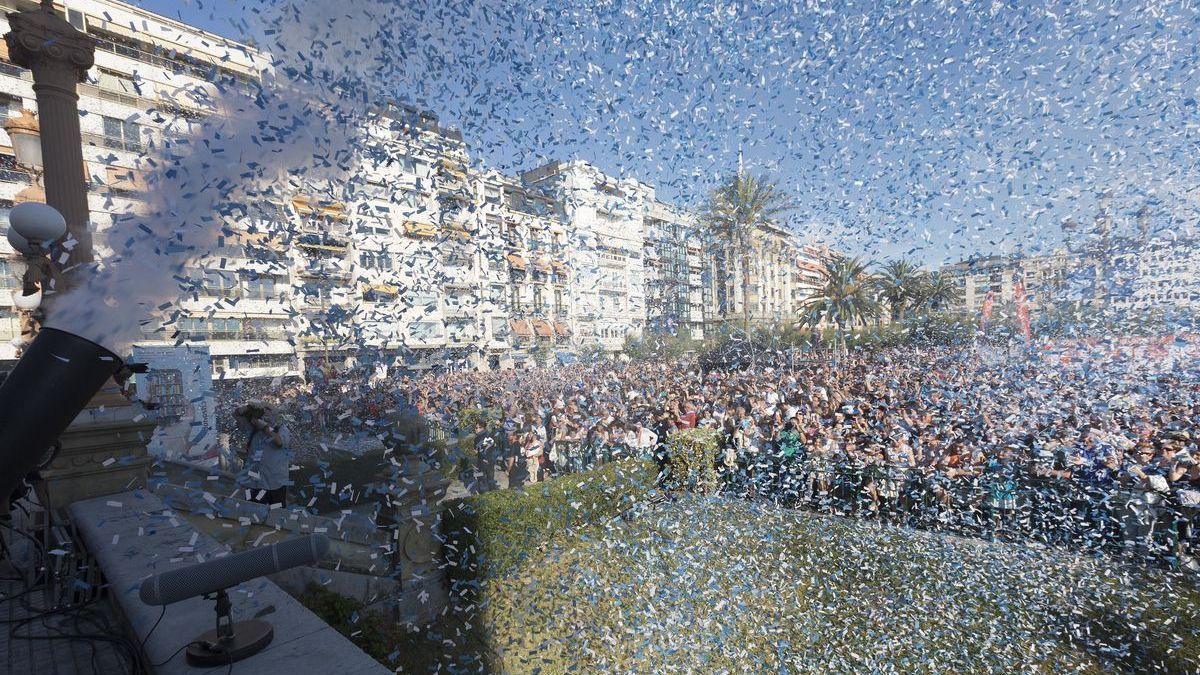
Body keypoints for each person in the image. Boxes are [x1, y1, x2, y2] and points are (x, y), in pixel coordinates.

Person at [233, 400, 292, 508]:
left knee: (276, 515)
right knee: (253, 511)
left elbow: (279, 442)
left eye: (268, 409)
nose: (264, 411)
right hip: (254, 482)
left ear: (275, 413)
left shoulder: (282, 428)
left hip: (275, 482)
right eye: (263, 409)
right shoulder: (252, 428)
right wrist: (246, 408)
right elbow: (236, 415)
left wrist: (265, 427)